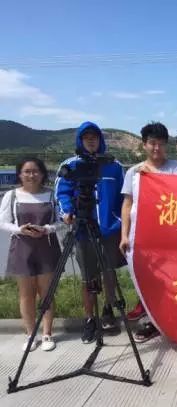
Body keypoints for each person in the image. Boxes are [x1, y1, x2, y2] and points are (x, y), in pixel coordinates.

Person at [55, 121, 126, 343]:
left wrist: (119, 221)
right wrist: (67, 212)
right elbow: (62, 193)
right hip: (83, 229)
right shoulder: (70, 165)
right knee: (88, 276)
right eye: (86, 137)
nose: (91, 140)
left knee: (109, 271)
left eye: (94, 137)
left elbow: (125, 196)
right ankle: (90, 319)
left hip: (109, 229)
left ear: (100, 139)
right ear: (80, 140)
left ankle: (108, 309)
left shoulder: (114, 166)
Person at [120, 121, 177, 343]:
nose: (157, 148)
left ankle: (171, 323)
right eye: (152, 143)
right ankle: (152, 323)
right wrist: (124, 235)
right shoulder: (134, 172)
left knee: (172, 282)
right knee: (147, 282)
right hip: (141, 236)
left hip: (170, 238)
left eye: (161, 144)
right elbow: (127, 204)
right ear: (144, 144)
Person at [0, 156, 63, 352]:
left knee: (46, 293)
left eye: (35, 171)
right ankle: (30, 334)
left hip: (47, 247)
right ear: (19, 174)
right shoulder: (12, 196)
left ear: (42, 174)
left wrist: (47, 229)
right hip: (21, 249)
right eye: (27, 171)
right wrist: (20, 229)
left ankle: (47, 333)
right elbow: (3, 222)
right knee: (26, 294)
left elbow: (62, 222)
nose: (31, 175)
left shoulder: (51, 195)